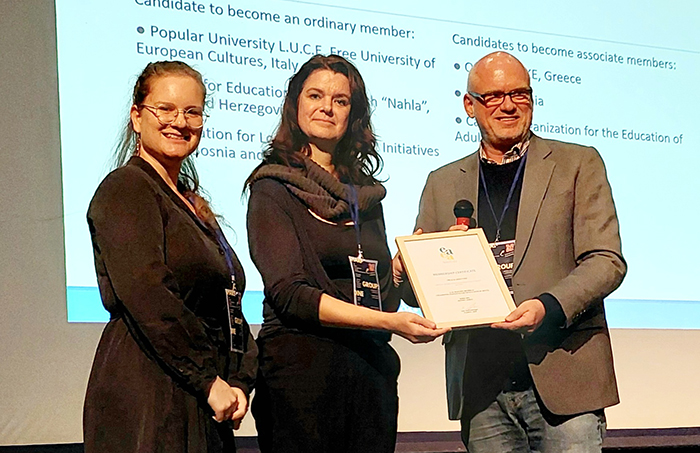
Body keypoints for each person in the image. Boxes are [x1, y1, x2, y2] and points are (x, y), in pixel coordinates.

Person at [414, 51, 627, 452]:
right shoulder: (442, 182)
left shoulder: (577, 164)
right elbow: (420, 290)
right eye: (493, 96)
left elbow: (606, 260)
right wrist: (403, 273)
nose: (508, 105)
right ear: (469, 105)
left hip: (564, 379)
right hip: (482, 388)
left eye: (519, 94)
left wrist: (548, 305)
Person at [245, 54, 448, 453]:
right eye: (315, 95)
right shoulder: (271, 188)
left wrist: (398, 272)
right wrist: (389, 322)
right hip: (301, 376)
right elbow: (291, 295)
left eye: (340, 100)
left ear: (353, 114)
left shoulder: (366, 197)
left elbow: (381, 295)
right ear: (295, 105)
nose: (327, 107)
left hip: (370, 374)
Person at [83, 61, 257, 453]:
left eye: (192, 111)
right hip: (151, 395)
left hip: (202, 395)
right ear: (137, 117)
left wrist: (241, 379)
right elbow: (149, 296)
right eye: (165, 108)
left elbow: (227, 304)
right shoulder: (125, 190)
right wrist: (209, 381)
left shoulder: (193, 206)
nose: (179, 121)